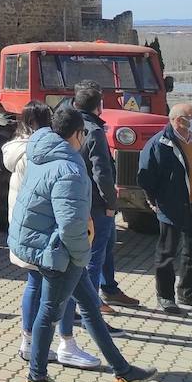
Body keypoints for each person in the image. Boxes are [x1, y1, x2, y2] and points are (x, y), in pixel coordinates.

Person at [9, 104, 156, 382]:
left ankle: (123, 371)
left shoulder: (41, 151)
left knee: (89, 307)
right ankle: (37, 379)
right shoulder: (70, 168)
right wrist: (81, 256)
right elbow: (71, 224)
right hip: (57, 251)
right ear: (78, 134)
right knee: (50, 313)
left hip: (41, 242)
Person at [6, 101, 98, 369]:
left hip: (28, 230)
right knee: (59, 294)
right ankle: (61, 346)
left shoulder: (28, 150)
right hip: (44, 235)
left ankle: (32, 345)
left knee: (39, 288)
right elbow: (50, 200)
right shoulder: (47, 154)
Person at [137, 103, 192, 314]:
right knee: (167, 253)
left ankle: (188, 293)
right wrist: (153, 201)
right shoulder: (159, 144)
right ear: (179, 120)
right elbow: (146, 176)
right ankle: (165, 297)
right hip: (172, 207)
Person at [72, 81, 140, 311]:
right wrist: (111, 203)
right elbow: (102, 172)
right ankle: (90, 304)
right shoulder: (95, 132)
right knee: (96, 252)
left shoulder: (71, 127)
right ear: (99, 107)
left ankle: (109, 288)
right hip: (97, 203)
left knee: (107, 244)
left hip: (81, 199)